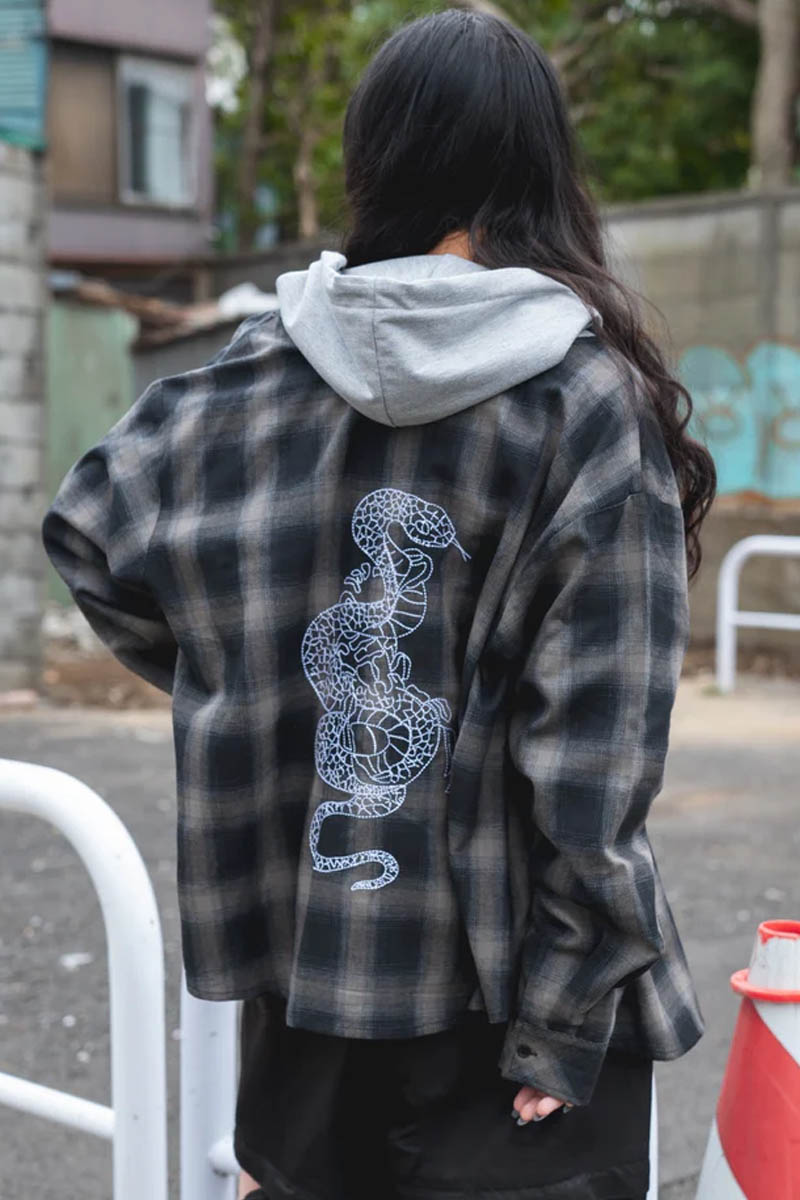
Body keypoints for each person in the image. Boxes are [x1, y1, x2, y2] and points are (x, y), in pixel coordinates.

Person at [41, 8, 716, 1200]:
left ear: (375, 163)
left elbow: (92, 535)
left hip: (309, 975)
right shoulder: (580, 406)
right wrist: (571, 1012)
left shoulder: (251, 375)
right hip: (511, 1003)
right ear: (534, 171)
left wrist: (249, 678)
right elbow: (592, 759)